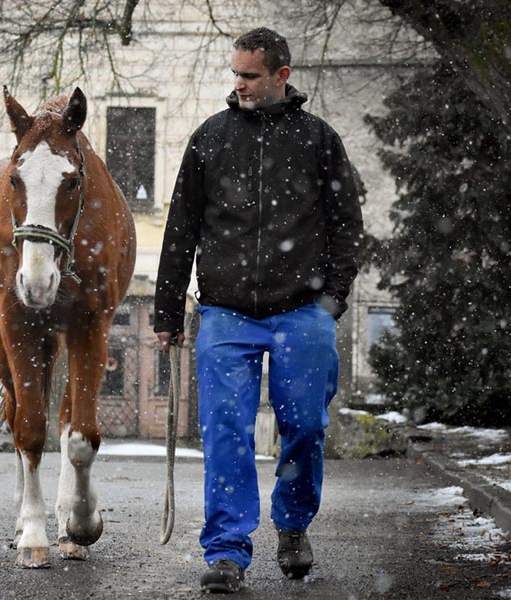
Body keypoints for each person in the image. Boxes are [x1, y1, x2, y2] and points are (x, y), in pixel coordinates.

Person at [154, 27, 363, 593]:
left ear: (281, 76)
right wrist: (166, 313)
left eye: (249, 75)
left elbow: (348, 226)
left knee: (304, 427)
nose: (239, 85)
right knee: (225, 430)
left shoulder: (319, 141)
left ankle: (293, 526)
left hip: (303, 314)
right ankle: (227, 552)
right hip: (225, 315)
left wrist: (332, 299)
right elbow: (181, 230)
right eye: (235, 75)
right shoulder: (210, 139)